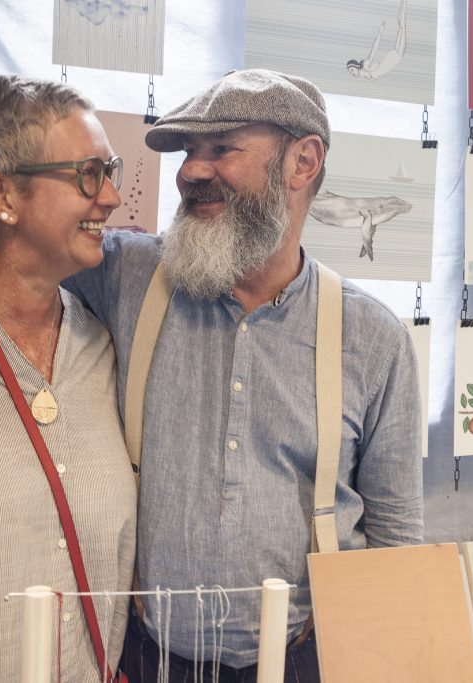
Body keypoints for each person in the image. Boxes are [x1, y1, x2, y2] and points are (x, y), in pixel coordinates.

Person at [65, 69, 423, 682]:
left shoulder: (374, 338)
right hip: (148, 657)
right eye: (188, 151)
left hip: (308, 660)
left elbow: (394, 537)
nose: (189, 171)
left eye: (221, 148)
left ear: (303, 162)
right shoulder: (125, 275)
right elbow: (19, 252)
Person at [0, 75, 136, 682]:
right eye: (87, 174)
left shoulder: (99, 347)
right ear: (3, 194)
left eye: (110, 171)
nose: (110, 196)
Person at [346, 0, 408, 80]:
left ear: (355, 66)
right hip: (392, 58)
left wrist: (380, 33)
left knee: (402, 27)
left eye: (352, 70)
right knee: (401, 26)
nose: (352, 73)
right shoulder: (366, 76)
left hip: (395, 57)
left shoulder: (366, 65)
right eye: (350, 71)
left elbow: (374, 51)